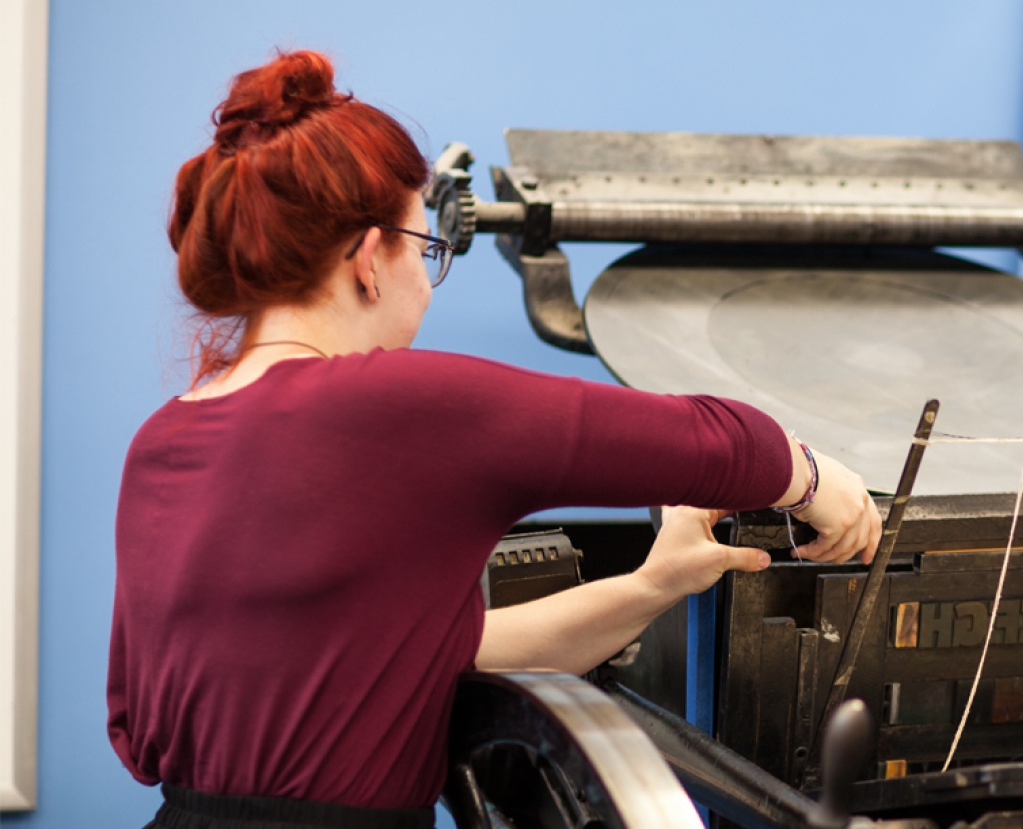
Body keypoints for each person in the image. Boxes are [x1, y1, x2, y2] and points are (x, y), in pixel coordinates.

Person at [108, 50, 884, 829]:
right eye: (425, 249)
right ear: (370, 259)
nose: (423, 279)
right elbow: (716, 442)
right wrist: (817, 480)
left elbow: (429, 660)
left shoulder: (161, 443)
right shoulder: (399, 406)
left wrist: (655, 585)